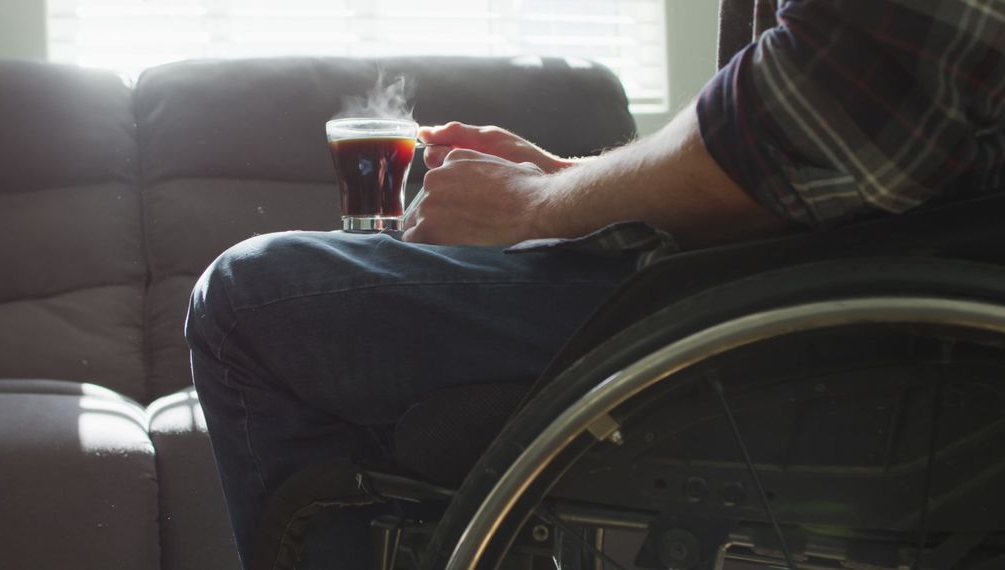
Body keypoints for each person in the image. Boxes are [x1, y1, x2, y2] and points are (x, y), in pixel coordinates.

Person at [185, 0, 1004, 568]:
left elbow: (821, 121)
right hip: (836, 286)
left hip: (841, 327)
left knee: (251, 303)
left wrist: (539, 203)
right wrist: (569, 185)